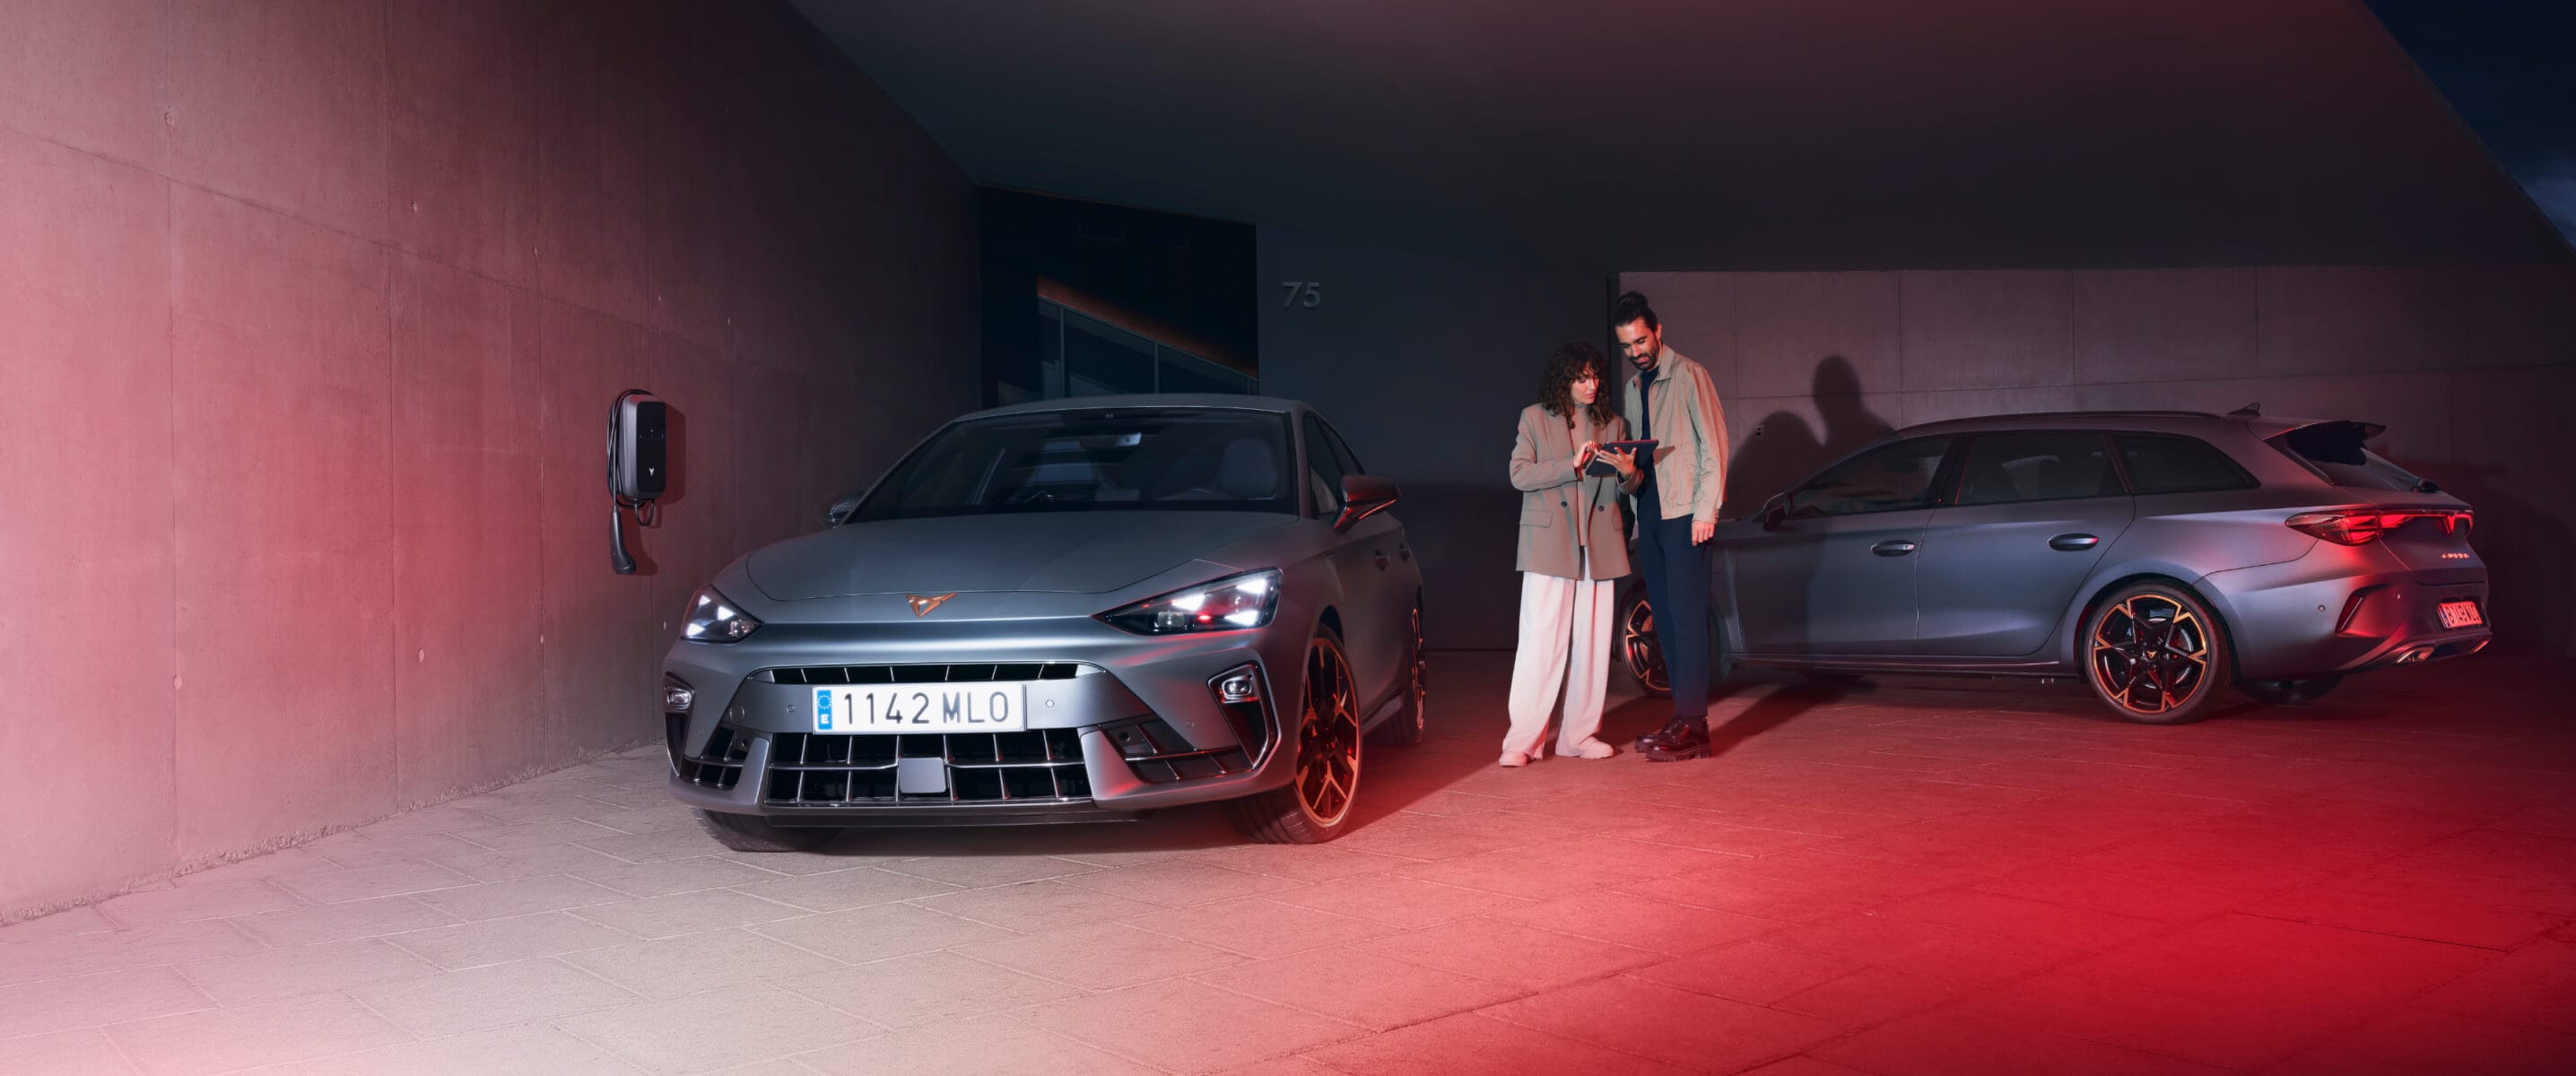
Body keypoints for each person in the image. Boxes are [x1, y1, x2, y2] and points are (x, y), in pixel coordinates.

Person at [1502, 343, 1642, 767]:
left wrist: (1629, 473)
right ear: (1563, 381)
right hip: (1550, 545)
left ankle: (1579, 736)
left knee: (1594, 646)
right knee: (1540, 644)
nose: (1592, 385)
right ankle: (1523, 741)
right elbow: (1518, 473)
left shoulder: (1613, 422)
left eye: (1595, 377)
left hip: (1598, 544)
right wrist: (1571, 465)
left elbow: (1630, 488)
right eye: (1582, 378)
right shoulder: (1534, 418)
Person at [1614, 291, 1729, 762]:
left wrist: (1707, 511)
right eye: (1626, 346)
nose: (1636, 352)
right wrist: (1625, 473)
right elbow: (1642, 464)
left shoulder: (1689, 376)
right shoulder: (1631, 389)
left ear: (1658, 331)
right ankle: (1686, 719)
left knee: (1687, 620)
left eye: (1641, 341)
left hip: (1686, 516)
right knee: (1665, 622)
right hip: (1653, 516)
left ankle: (1695, 723)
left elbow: (1714, 448)